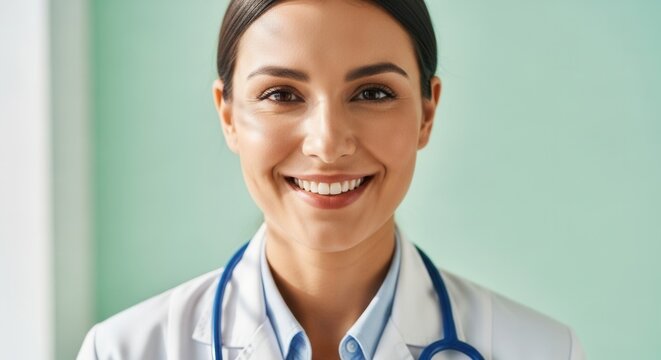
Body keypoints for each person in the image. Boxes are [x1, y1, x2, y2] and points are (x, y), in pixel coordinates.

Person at [78, 0, 586, 359]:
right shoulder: (124, 351)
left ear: (427, 114)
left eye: (372, 93)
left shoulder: (540, 351)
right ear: (228, 115)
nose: (327, 143)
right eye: (281, 93)